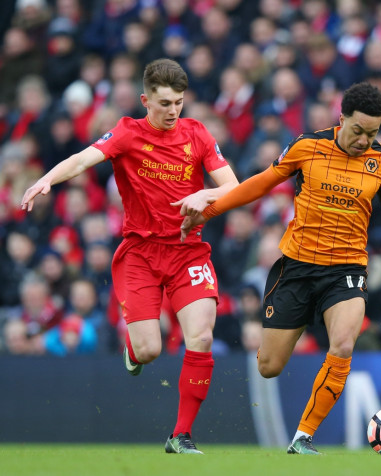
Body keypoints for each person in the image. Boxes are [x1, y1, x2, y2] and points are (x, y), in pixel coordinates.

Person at [180, 82, 381, 455]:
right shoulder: (308, 146)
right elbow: (261, 185)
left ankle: (303, 437)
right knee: (268, 367)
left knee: (342, 343)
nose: (363, 140)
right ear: (341, 119)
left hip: (347, 270)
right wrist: (208, 212)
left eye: (372, 133)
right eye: (358, 131)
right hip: (296, 267)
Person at [20, 58, 239, 454]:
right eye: (165, 103)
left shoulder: (198, 134)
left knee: (202, 336)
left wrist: (203, 194)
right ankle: (134, 350)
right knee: (151, 349)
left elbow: (233, 187)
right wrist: (47, 179)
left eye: (179, 102)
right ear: (145, 100)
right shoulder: (126, 133)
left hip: (188, 251)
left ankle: (181, 435)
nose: (173, 111)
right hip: (140, 253)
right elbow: (83, 159)